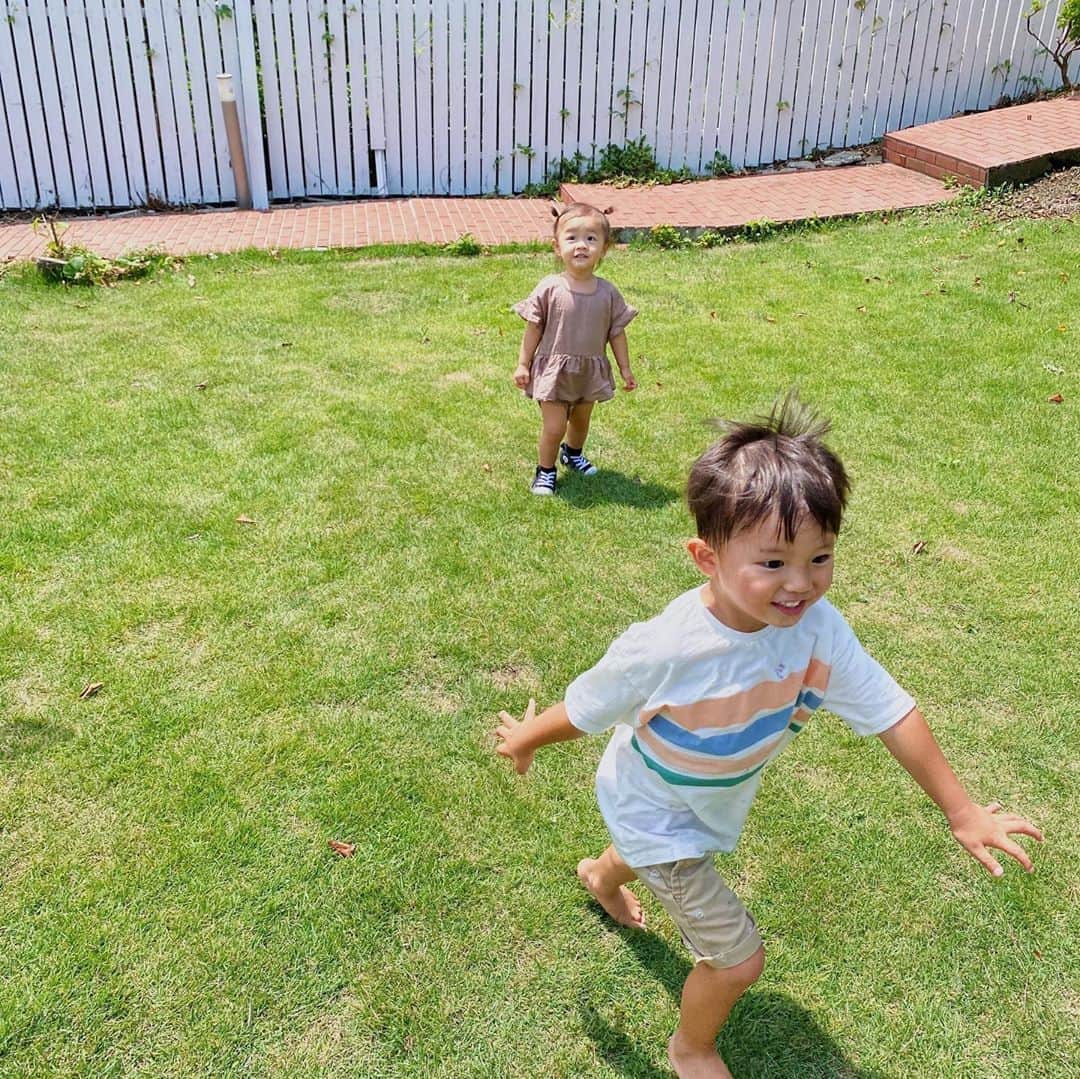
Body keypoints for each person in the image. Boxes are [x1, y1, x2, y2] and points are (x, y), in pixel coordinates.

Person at [493, 395, 1042, 1079]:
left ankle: (601, 872)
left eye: (820, 557)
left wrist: (963, 811)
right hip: (654, 808)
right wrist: (527, 740)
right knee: (738, 957)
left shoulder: (819, 630)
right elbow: (588, 704)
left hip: (699, 802)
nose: (802, 583)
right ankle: (690, 1047)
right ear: (706, 556)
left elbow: (890, 710)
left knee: (655, 856)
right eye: (774, 563)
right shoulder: (668, 647)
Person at [513, 202, 638, 496]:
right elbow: (533, 328)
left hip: (588, 370)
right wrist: (522, 364)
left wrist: (625, 369)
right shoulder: (550, 287)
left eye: (591, 239)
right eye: (572, 238)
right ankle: (545, 471)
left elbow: (617, 333)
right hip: (553, 371)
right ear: (557, 247)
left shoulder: (607, 292)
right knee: (555, 426)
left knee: (581, 421)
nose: (581, 246)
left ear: (604, 248)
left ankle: (573, 453)